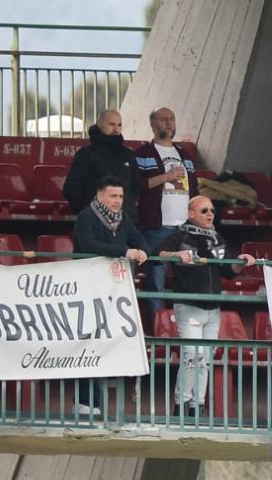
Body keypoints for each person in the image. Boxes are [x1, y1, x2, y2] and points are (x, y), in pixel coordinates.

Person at [165, 195, 255, 417]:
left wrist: (241, 262)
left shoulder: (217, 239)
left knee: (204, 359)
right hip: (188, 304)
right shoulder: (179, 235)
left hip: (212, 308)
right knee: (191, 357)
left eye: (212, 211)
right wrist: (177, 254)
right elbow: (157, 255)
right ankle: (181, 405)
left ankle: (197, 405)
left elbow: (227, 270)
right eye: (204, 210)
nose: (209, 214)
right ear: (191, 213)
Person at [72, 179, 152, 415]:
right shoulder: (87, 216)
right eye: (113, 196)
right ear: (100, 196)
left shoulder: (123, 219)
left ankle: (96, 402)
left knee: (105, 343)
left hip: (112, 291)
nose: (118, 201)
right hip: (88, 289)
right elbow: (87, 244)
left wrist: (143, 251)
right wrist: (125, 251)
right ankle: (85, 401)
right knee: (89, 344)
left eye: (120, 196)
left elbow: (140, 241)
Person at [61, 110, 142, 213]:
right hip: (95, 221)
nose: (116, 129)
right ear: (99, 124)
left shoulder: (128, 155)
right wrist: (88, 211)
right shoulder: (86, 154)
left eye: (119, 125)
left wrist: (128, 205)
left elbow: (135, 186)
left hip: (125, 220)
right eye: (111, 124)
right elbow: (71, 188)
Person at [134, 107, 198, 234]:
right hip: (156, 228)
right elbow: (135, 186)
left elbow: (195, 190)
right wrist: (165, 177)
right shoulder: (142, 154)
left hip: (186, 227)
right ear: (153, 125)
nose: (169, 123)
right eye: (164, 119)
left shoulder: (185, 155)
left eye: (172, 119)